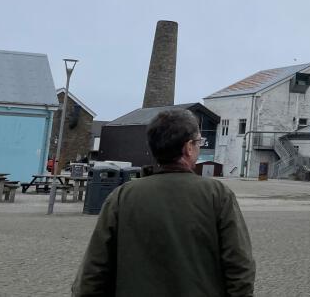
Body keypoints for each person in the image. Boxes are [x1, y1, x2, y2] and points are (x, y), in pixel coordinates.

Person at [72, 108, 255, 296]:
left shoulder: (122, 197)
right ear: (188, 147)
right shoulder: (218, 196)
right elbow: (239, 267)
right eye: (198, 141)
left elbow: (93, 272)